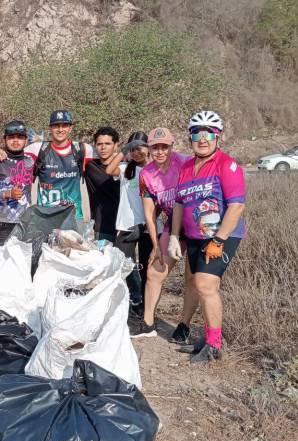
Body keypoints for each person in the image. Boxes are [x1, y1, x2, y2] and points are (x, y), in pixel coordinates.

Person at [169, 111, 246, 363]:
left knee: (205, 284)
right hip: (193, 236)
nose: (202, 139)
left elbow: (236, 206)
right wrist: (173, 235)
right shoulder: (187, 166)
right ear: (190, 137)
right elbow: (179, 204)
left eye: (208, 134)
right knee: (192, 282)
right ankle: (203, 336)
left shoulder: (227, 164)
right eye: (196, 134)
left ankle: (214, 344)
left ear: (217, 136)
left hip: (221, 235)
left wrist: (219, 239)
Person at [133, 127, 198, 343]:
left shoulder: (186, 163)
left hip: (196, 223)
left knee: (192, 278)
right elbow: (150, 214)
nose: (160, 152)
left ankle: (184, 326)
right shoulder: (146, 174)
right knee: (154, 272)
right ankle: (148, 323)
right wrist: (155, 244)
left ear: (171, 147)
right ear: (149, 149)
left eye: (164, 147)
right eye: (155, 147)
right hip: (173, 225)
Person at [0, 110, 94, 221]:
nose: (60, 129)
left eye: (64, 125)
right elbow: (15, 153)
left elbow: (104, 161)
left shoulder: (83, 149)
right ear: (50, 128)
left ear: (70, 128)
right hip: (45, 217)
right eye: (56, 126)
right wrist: (1, 151)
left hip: (73, 216)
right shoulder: (38, 149)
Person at [105, 131, 153, 315]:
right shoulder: (126, 169)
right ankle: (132, 297)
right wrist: (123, 151)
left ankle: (145, 304)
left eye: (141, 147)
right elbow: (109, 170)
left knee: (147, 268)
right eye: (133, 148)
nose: (137, 152)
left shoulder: (155, 169)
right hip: (126, 224)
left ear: (148, 148)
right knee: (124, 264)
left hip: (149, 226)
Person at [0, 120, 35, 244]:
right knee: (2, 262)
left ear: (26, 140)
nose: (15, 140)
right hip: (1, 224)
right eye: (11, 137)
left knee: (22, 261)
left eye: (19, 137)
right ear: (5, 140)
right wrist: (8, 194)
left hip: (24, 222)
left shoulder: (31, 161)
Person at [84, 127, 122, 243]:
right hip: (101, 227)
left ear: (116, 145)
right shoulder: (89, 166)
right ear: (95, 145)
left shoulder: (125, 167)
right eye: (99, 144)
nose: (103, 147)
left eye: (108, 143)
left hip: (124, 227)